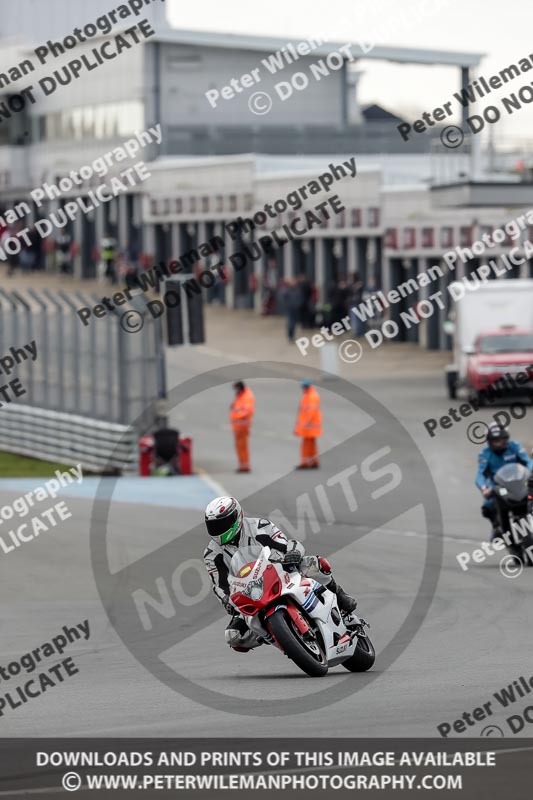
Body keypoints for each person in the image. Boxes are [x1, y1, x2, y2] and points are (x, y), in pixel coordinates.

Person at [203, 496, 358, 651]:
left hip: (279, 571)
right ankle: (275, 634)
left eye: (221, 524)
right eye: (213, 526)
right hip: (250, 594)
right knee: (233, 636)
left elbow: (284, 542)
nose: (218, 530)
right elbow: (219, 585)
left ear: (236, 517)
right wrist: (228, 602)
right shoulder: (211, 553)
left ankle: (341, 599)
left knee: (316, 565)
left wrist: (292, 553)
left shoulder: (259, 526)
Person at [476, 424, 533, 538]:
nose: (499, 443)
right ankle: (497, 526)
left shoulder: (515, 446)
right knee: (487, 507)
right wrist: (483, 488)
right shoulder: (484, 454)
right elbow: (480, 475)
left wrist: (530, 473)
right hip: (498, 486)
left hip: (519, 482)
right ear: (489, 441)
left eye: (502, 439)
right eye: (495, 441)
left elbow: (528, 462)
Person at [295, 380, 322, 469]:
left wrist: (305, 424)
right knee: (311, 445)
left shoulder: (311, 396)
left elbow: (311, 411)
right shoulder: (307, 395)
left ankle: (305, 462)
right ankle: (313, 461)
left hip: (310, 426)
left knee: (307, 445)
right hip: (310, 426)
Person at [230, 381, 255, 473]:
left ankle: (245, 466)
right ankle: (242, 465)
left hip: (242, 426)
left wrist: (236, 415)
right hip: (238, 426)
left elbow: (247, 411)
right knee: (239, 446)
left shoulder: (247, 396)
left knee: (242, 446)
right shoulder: (240, 395)